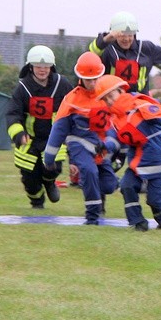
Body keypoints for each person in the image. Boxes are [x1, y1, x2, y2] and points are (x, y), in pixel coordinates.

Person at [95, 75, 161, 231]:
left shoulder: (138, 105)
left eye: (111, 95)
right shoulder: (114, 119)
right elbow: (113, 138)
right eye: (105, 99)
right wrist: (104, 146)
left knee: (154, 198)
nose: (109, 101)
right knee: (127, 186)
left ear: (121, 91)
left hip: (157, 155)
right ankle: (138, 222)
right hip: (138, 158)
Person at [44, 52, 119, 225]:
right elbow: (58, 131)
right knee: (89, 171)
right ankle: (92, 217)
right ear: (80, 78)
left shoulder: (108, 97)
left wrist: (110, 145)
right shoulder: (71, 99)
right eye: (88, 80)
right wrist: (49, 159)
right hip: (78, 144)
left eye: (95, 79)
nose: (92, 83)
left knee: (109, 185)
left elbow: (115, 126)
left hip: (100, 147)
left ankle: (95, 183)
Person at [5, 45, 74, 209]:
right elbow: (13, 114)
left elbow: (74, 104)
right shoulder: (22, 88)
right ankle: (37, 202)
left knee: (52, 168)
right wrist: (19, 134)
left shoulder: (62, 84)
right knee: (29, 178)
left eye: (46, 67)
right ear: (30, 66)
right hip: (29, 140)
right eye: (38, 66)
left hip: (54, 139)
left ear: (51, 67)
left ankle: (50, 183)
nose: (42, 70)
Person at [88, 11, 161, 95]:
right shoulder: (107, 49)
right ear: (114, 34)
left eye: (129, 35)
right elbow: (90, 56)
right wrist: (105, 40)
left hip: (140, 102)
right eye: (122, 35)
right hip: (113, 102)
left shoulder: (146, 49)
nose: (126, 39)